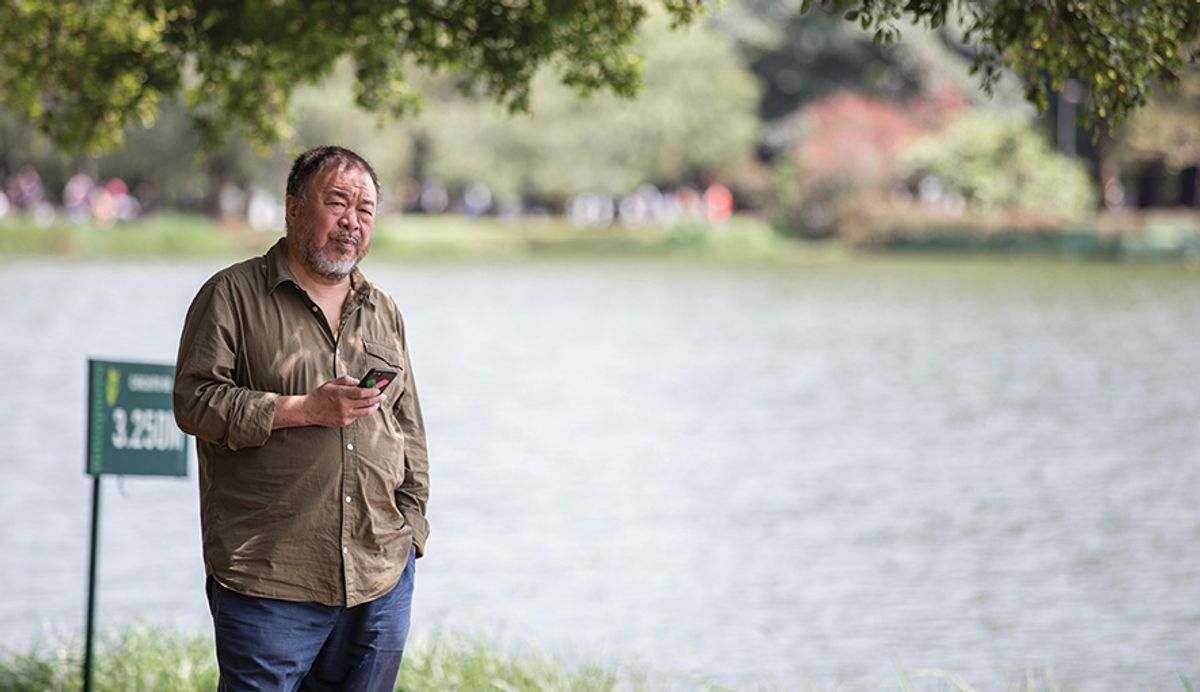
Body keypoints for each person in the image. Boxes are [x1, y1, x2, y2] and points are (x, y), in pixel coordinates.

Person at [173, 145, 430, 691]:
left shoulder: (382, 309)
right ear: (292, 207)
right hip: (270, 578)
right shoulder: (231, 295)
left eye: (365, 209)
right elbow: (194, 402)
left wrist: (412, 532)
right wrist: (303, 409)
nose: (351, 221)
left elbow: (408, 427)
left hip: (380, 573)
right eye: (337, 203)